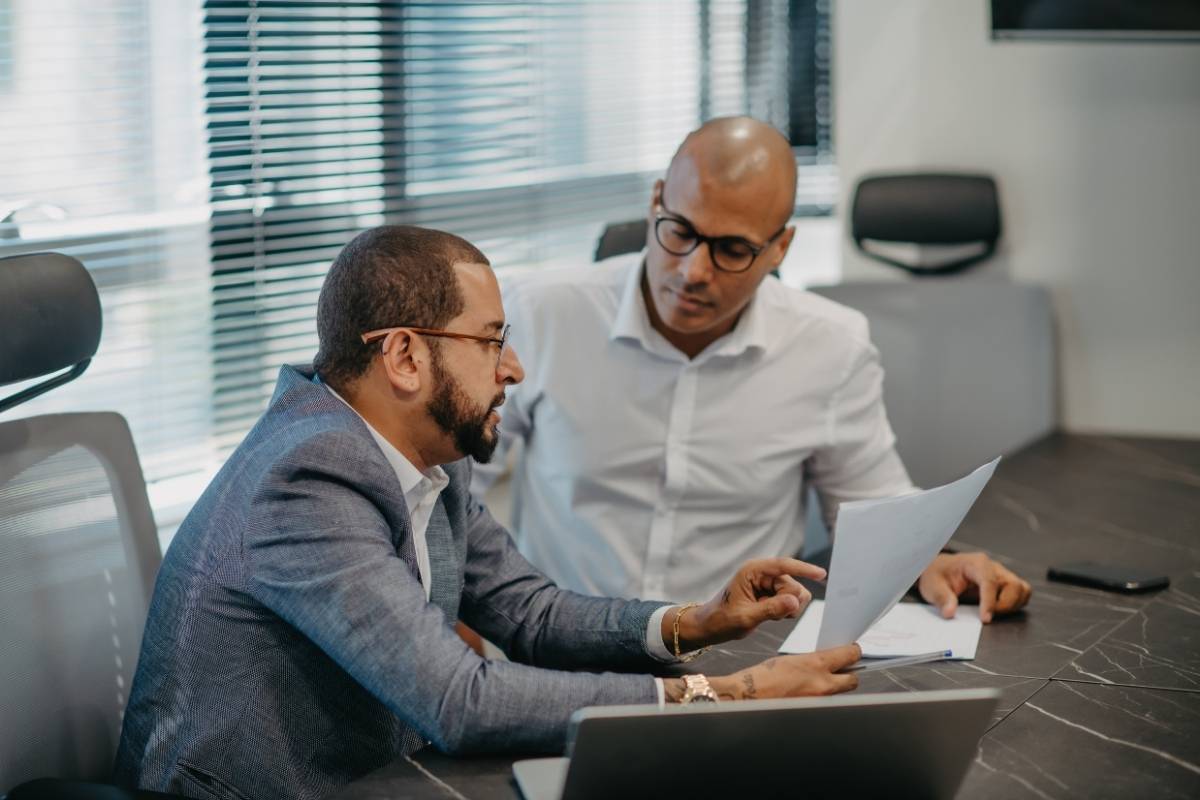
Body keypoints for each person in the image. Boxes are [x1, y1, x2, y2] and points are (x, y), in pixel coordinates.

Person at [114, 225, 862, 800]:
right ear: (405, 357)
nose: (513, 368)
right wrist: (723, 694)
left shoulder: (426, 456)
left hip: (386, 777)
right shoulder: (307, 478)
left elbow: (527, 612)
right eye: (491, 341)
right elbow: (458, 700)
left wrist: (691, 624)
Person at [471, 117, 1033, 621]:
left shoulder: (830, 345)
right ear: (656, 201)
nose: (693, 271)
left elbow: (872, 508)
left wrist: (932, 560)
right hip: (566, 648)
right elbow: (455, 488)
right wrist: (460, 617)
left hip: (741, 658)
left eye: (733, 249)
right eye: (680, 232)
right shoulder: (542, 313)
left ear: (780, 248)